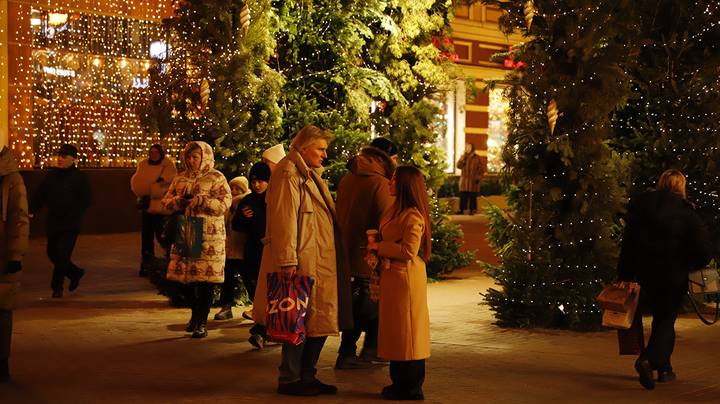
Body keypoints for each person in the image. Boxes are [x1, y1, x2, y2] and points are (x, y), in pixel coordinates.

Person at [252, 125, 352, 396]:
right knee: (297, 319)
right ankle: (291, 378)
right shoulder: (288, 174)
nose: (325, 154)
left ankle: (307, 374)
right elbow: (284, 220)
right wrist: (287, 260)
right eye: (320, 149)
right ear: (304, 147)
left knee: (316, 320)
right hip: (303, 259)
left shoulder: (308, 173)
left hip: (317, 257)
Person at [618, 169, 713, 390]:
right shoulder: (687, 213)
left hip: (644, 274)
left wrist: (624, 274)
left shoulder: (641, 208)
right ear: (681, 186)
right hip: (673, 274)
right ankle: (648, 360)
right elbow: (703, 250)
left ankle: (665, 369)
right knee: (665, 320)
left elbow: (629, 243)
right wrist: (692, 265)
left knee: (661, 319)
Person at [367, 165, 431, 401]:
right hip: (392, 277)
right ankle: (399, 382)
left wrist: (379, 247)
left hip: (405, 278)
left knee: (409, 333)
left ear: (404, 185)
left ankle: (412, 386)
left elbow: (409, 250)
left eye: (394, 179)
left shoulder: (413, 215)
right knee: (396, 332)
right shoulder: (395, 210)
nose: (389, 182)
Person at [334, 138, 396, 369]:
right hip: (368, 254)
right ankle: (358, 350)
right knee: (370, 304)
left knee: (357, 303)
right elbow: (385, 220)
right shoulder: (380, 184)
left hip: (346, 250)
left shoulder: (347, 179)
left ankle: (359, 349)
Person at [161, 141, 231, 339]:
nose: (191, 161)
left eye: (195, 157)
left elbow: (225, 203)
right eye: (189, 157)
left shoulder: (216, 177)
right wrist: (178, 201)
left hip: (210, 235)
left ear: (204, 157)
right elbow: (166, 202)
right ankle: (194, 315)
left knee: (205, 281)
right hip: (189, 230)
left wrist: (202, 201)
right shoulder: (180, 178)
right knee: (188, 279)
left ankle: (202, 320)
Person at [30, 144, 91, 298]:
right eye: (59, 155)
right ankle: (75, 273)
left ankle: (57, 288)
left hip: (70, 223)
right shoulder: (51, 176)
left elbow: (86, 200)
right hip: (54, 222)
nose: (59, 159)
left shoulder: (80, 177)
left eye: (64, 156)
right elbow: (40, 195)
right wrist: (31, 210)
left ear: (73, 159)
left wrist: (74, 212)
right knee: (52, 253)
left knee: (63, 255)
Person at [231, 162, 271, 348]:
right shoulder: (248, 200)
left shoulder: (273, 199)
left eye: (261, 181)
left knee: (267, 291)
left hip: (270, 251)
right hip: (253, 251)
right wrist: (243, 218)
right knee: (253, 286)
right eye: (254, 181)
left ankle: (262, 329)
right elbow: (237, 225)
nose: (257, 185)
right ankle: (262, 325)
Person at [0, 146, 29, 383]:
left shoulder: (11, 180)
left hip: (2, 255)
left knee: (1, 308)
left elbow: (19, 218)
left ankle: (1, 362)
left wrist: (15, 256)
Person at [130, 144, 177, 276]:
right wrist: (150, 188)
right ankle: (146, 264)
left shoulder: (168, 166)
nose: (154, 155)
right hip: (148, 208)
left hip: (162, 208)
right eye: (152, 152)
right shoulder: (143, 164)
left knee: (163, 237)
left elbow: (168, 187)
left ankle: (169, 263)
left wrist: (152, 189)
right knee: (146, 238)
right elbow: (138, 184)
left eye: (157, 152)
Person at [213, 176, 250, 321]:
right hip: (229, 248)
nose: (234, 191)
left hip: (243, 248)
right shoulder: (227, 207)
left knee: (248, 278)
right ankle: (226, 307)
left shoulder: (246, 204)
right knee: (228, 279)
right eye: (232, 188)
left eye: (238, 188)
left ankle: (258, 307)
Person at [456, 143, 484, 215]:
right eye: (466, 147)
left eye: (469, 147)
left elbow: (481, 169)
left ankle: (472, 210)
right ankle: (461, 209)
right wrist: (462, 160)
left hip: (473, 180)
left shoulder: (476, 157)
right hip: (464, 180)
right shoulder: (463, 156)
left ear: (472, 148)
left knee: (472, 196)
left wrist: (478, 177)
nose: (467, 148)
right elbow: (458, 166)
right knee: (463, 195)